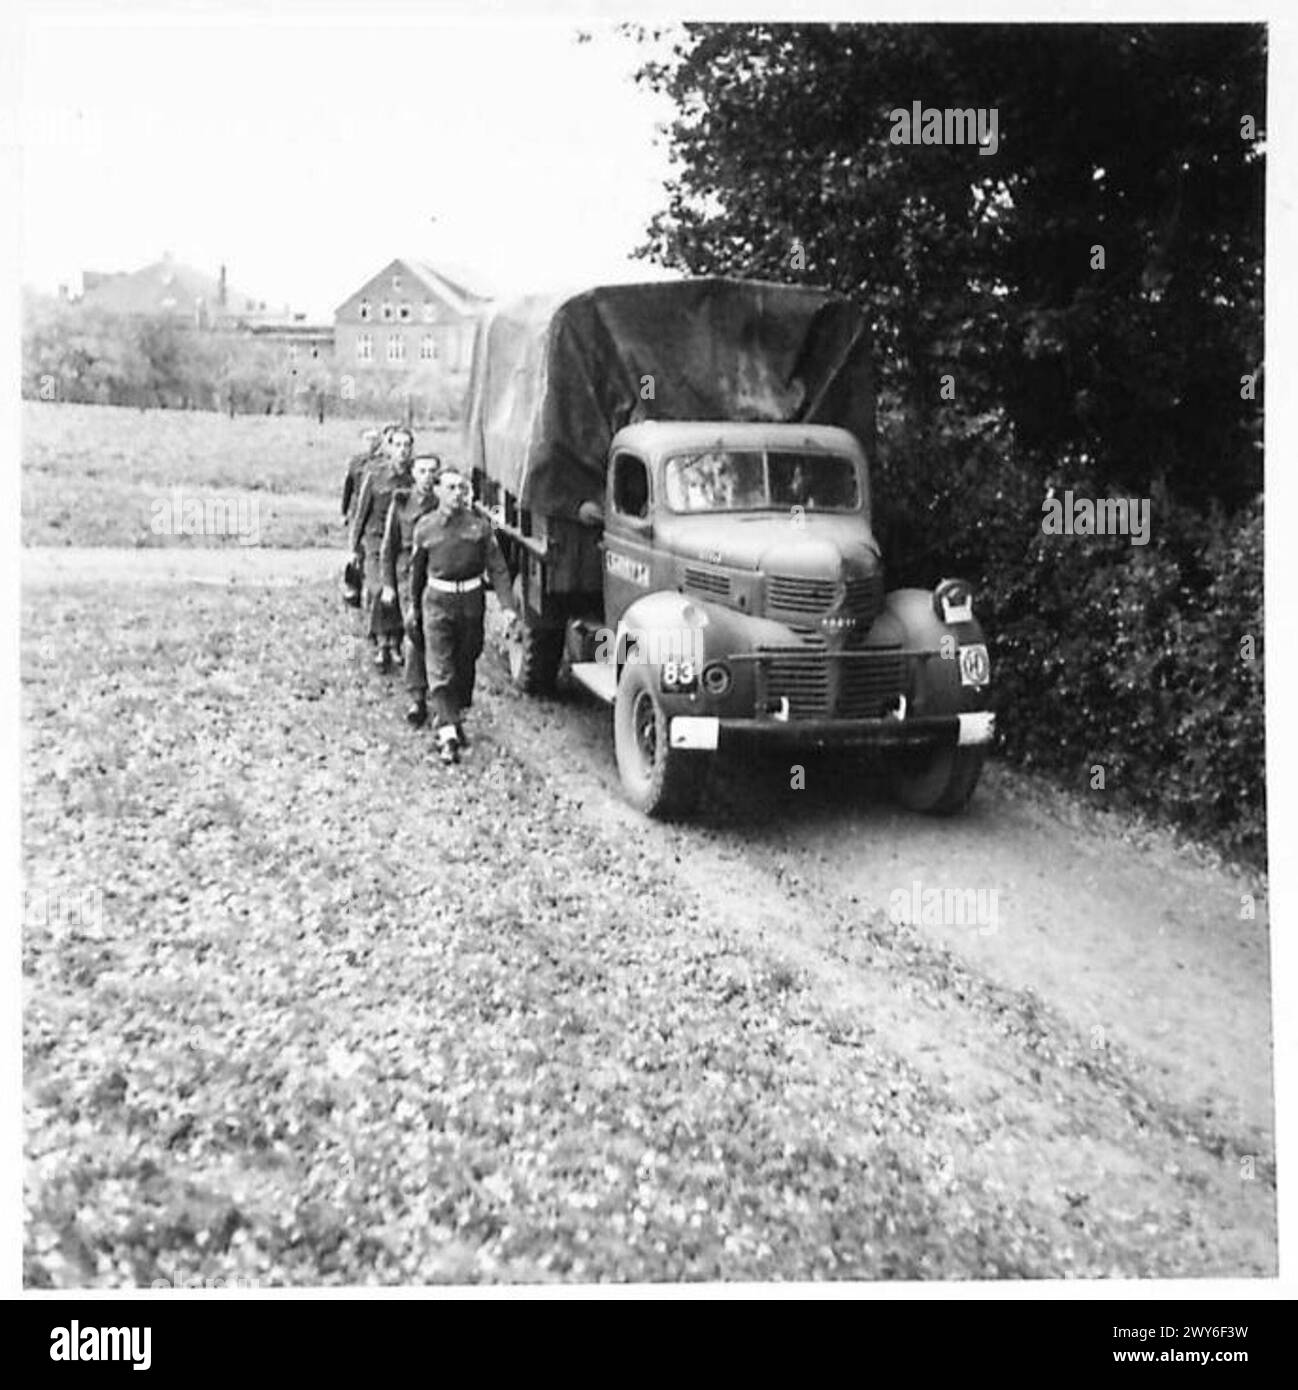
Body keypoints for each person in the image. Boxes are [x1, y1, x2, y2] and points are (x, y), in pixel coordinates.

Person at [409, 468, 519, 764]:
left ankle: (453, 716)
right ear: (438, 491)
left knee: (466, 660)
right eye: (451, 487)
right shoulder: (425, 528)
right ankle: (448, 734)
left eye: (462, 487)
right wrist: (412, 607)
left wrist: (508, 607)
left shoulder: (480, 528)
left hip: (470, 603)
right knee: (440, 666)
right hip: (437, 602)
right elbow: (416, 573)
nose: (458, 493)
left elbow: (497, 568)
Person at [379, 453, 441, 725]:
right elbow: (388, 547)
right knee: (414, 631)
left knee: (437, 636)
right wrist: (388, 585)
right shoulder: (401, 503)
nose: (427, 476)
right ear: (413, 474)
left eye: (432, 471)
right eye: (422, 470)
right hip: (408, 575)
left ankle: (440, 697)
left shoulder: (443, 504)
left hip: (436, 577)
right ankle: (417, 698)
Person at [349, 425, 414, 670]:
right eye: (397, 445)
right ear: (389, 448)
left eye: (407, 445)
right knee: (378, 589)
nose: (402, 450)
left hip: (400, 544)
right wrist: (354, 547)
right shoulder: (375, 475)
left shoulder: (413, 478)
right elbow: (361, 514)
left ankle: (394, 641)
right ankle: (382, 642)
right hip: (375, 542)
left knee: (398, 589)